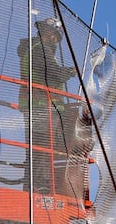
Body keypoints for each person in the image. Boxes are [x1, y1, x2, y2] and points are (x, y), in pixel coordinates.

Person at [16, 17, 76, 194]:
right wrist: (70, 72)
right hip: (41, 105)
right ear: (49, 34)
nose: (56, 40)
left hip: (37, 104)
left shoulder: (35, 49)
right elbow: (54, 74)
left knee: (38, 147)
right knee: (42, 146)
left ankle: (34, 185)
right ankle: (38, 185)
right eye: (55, 36)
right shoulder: (41, 49)